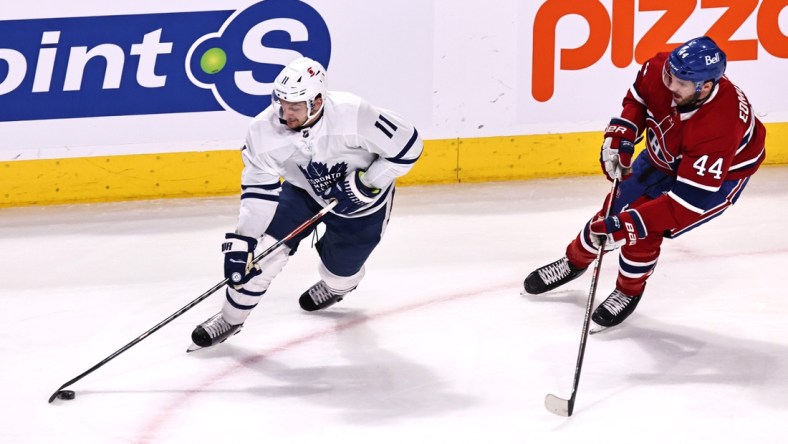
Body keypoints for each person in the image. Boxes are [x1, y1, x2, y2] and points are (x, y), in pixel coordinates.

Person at [523, 36, 766, 328]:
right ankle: (574, 261)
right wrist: (622, 132)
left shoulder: (720, 125)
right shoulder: (661, 67)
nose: (671, 86)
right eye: (670, 77)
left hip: (714, 182)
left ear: (706, 87)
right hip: (663, 155)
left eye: (681, 84)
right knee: (610, 215)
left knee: (641, 227)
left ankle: (628, 291)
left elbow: (687, 204)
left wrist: (629, 225)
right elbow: (638, 100)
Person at [189, 57, 423, 350]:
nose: (286, 114)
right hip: (303, 192)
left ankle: (338, 287)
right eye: (282, 103)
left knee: (340, 273)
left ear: (317, 102)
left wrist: (366, 184)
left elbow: (409, 147)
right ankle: (230, 318)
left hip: (363, 208)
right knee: (262, 256)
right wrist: (245, 240)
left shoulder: (353, 114)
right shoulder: (263, 130)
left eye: (295, 107)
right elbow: (258, 191)